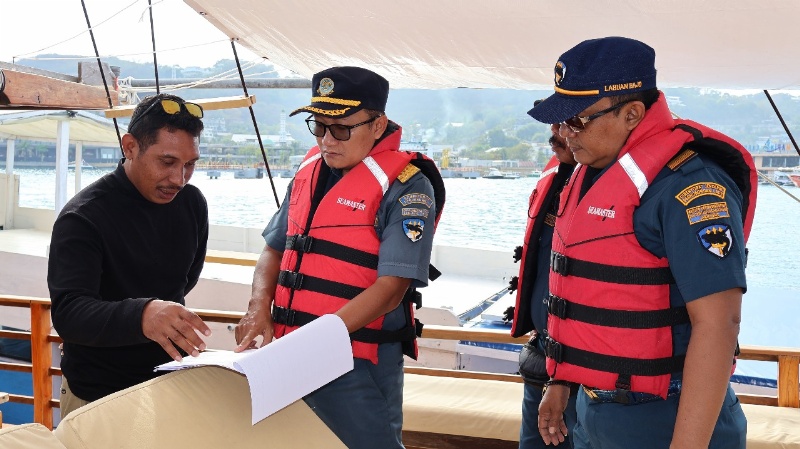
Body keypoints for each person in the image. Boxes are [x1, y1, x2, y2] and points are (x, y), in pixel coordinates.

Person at [529, 37, 757, 449]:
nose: (564, 133)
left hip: (666, 416)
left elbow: (720, 324)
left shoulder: (691, 185)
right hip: (593, 414)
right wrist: (563, 379)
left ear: (632, 113)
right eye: (559, 121)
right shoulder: (590, 172)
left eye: (576, 120)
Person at [234, 66, 445, 449]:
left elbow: (392, 288)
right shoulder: (309, 170)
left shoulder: (409, 186)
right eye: (319, 126)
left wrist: (316, 340)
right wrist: (258, 306)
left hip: (355, 360)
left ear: (378, 125)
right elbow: (274, 248)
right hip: (288, 350)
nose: (327, 140)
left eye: (342, 129)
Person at [48, 93, 211, 418]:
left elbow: (186, 278)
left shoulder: (192, 204)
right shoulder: (83, 217)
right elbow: (68, 313)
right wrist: (144, 315)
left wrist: (154, 315)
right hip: (95, 397)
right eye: (167, 162)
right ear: (130, 146)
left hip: (165, 386)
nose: (179, 179)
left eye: (190, 164)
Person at [509, 115, 578, 448]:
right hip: (542, 363)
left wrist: (564, 378)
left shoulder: (627, 192)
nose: (557, 130)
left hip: (590, 378)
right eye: (554, 122)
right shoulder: (555, 179)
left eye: (570, 121)